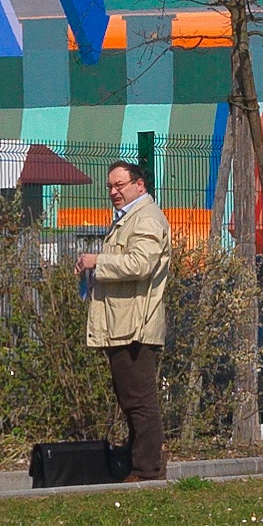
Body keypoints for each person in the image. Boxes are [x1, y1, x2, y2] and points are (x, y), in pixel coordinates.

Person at [81, 146, 181, 475]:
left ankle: (148, 469)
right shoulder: (128, 220)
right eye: (110, 187)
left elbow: (141, 264)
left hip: (135, 326)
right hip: (121, 324)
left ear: (140, 185)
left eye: (120, 185)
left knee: (140, 401)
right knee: (130, 399)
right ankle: (138, 463)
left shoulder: (147, 219)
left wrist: (99, 261)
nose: (113, 192)